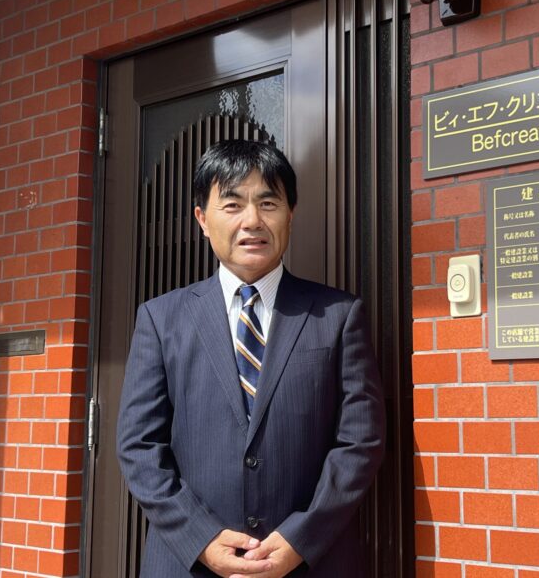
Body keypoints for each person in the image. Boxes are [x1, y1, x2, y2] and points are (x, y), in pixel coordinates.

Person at [116, 140, 386, 578]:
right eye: (232, 204)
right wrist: (201, 539)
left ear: (290, 214)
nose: (252, 220)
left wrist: (301, 539)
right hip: (189, 564)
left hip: (312, 562)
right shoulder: (161, 319)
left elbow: (360, 442)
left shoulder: (338, 315)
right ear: (202, 219)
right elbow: (139, 446)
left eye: (268, 203)